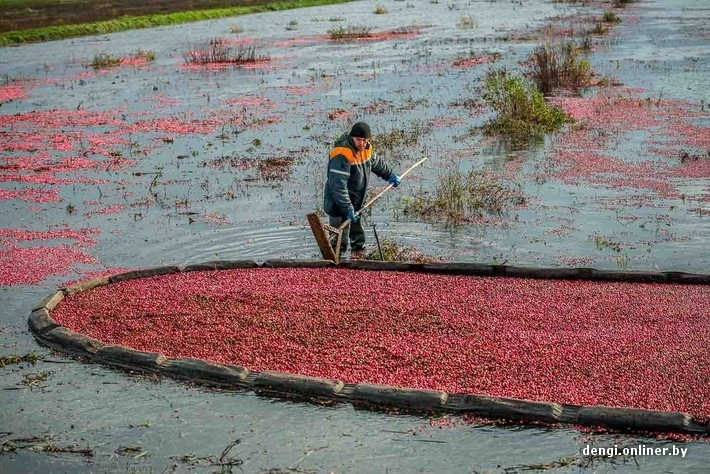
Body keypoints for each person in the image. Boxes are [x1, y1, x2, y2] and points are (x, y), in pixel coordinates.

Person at [323, 122, 401, 253]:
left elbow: (377, 164)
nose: (362, 143)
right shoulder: (342, 155)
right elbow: (338, 186)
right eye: (359, 140)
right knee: (338, 239)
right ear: (352, 138)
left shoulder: (366, 150)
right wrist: (347, 207)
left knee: (358, 238)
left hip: (357, 201)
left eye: (365, 140)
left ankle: (359, 255)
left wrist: (390, 175)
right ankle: (336, 259)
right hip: (338, 202)